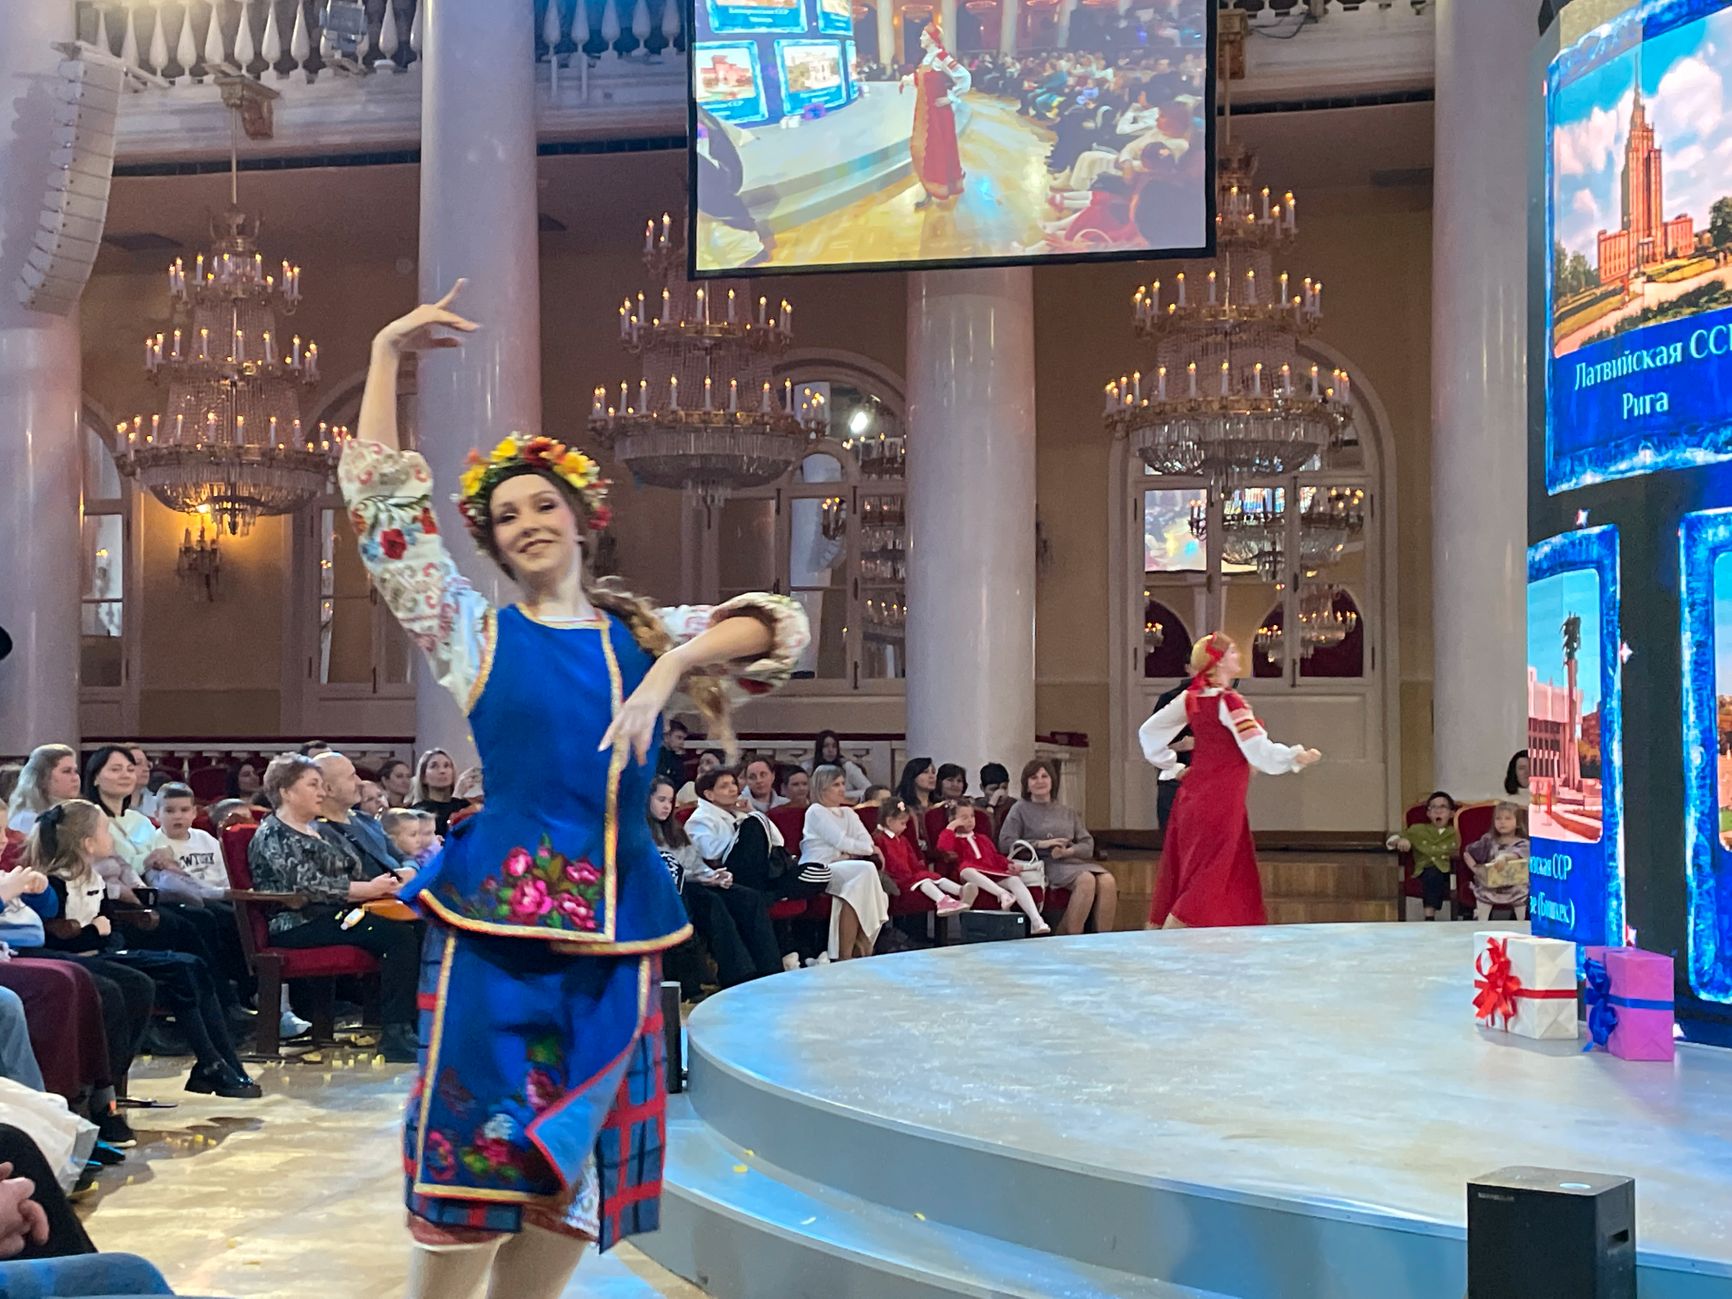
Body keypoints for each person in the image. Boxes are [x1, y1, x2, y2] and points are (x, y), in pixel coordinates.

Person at [346, 282, 808, 1298]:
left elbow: (778, 624)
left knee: (577, 1185)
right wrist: (387, 355)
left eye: (539, 504)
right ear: (491, 538)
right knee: (471, 1178)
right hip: (496, 932)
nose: (523, 523)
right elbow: (386, 514)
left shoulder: (641, 631)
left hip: (621, 938)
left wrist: (666, 669)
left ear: (580, 515)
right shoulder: (470, 630)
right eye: (504, 515)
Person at [28, 800, 259, 1099]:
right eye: (105, 831)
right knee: (160, 976)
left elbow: (107, 926)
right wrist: (92, 931)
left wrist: (99, 932)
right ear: (87, 843)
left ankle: (219, 1060)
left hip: (105, 952)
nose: (110, 838)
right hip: (77, 960)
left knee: (191, 965)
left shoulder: (92, 877)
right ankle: (210, 1063)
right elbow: (59, 936)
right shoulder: (56, 883)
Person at [1139, 633, 1320, 929]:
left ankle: (1192, 943)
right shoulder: (1229, 701)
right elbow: (1257, 749)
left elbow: (1149, 733)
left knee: (1201, 870)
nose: (1239, 655)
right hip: (1222, 801)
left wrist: (1170, 766)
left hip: (1193, 798)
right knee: (1211, 873)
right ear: (1218, 660)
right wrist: (1293, 757)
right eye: (1233, 651)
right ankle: (1170, 938)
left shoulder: (1193, 697)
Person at [247, 755, 420, 1063]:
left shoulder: (315, 828)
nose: (321, 792)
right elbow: (305, 885)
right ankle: (394, 1034)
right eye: (312, 785)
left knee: (414, 926)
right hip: (298, 922)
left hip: (334, 914)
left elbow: (346, 873)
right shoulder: (274, 832)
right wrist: (367, 889)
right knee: (398, 937)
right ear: (286, 791)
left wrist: (385, 883)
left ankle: (409, 1025)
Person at [647, 778, 781, 992]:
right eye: (661, 800)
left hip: (695, 880)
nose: (666, 806)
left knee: (748, 897)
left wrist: (715, 876)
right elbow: (662, 871)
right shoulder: (639, 833)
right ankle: (738, 974)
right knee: (712, 903)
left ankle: (770, 969)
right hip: (669, 890)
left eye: (670, 801)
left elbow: (695, 864)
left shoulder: (675, 831)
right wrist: (701, 878)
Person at [997, 759, 1112, 936]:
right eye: (1034, 777)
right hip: (1042, 863)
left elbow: (1087, 845)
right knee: (1086, 880)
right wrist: (1042, 844)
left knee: (1107, 881)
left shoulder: (1067, 811)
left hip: (1070, 860)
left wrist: (1069, 851)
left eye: (1045, 776)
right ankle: (1072, 938)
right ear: (1027, 784)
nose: (1040, 781)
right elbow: (1005, 842)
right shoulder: (1019, 809)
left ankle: (1104, 939)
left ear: (1053, 781)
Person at [800, 767, 891, 960]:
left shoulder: (849, 814)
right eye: (836, 785)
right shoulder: (815, 812)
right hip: (819, 868)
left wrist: (852, 851)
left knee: (864, 891)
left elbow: (867, 842)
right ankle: (862, 946)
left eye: (842, 784)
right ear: (822, 788)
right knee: (866, 869)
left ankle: (849, 952)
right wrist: (856, 850)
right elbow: (843, 842)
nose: (842, 789)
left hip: (848, 868)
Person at [940, 802, 1050, 935]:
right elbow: (943, 847)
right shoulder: (954, 839)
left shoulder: (982, 839)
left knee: (1013, 880)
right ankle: (1003, 894)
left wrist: (1008, 864)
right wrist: (951, 827)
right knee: (966, 870)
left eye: (972, 816)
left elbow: (995, 857)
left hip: (991, 872)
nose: (970, 820)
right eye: (964, 818)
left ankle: (1036, 920)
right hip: (971, 877)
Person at [900, 20, 970, 207]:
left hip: (938, 114)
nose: (920, 38)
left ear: (931, 38)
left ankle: (937, 187)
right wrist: (907, 80)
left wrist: (952, 97)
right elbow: (923, 81)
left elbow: (964, 77)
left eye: (923, 35)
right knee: (924, 149)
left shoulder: (941, 57)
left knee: (934, 150)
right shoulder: (927, 58)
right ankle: (934, 185)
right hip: (924, 112)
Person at [314, 752, 413, 881]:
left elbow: (403, 857)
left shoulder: (365, 819)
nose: (360, 782)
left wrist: (411, 869)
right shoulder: (319, 833)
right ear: (329, 789)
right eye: (351, 777)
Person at [874, 799, 970, 915]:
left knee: (933, 877)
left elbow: (912, 858)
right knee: (925, 881)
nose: (905, 828)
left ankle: (961, 891)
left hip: (909, 874)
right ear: (889, 821)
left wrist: (919, 869)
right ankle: (942, 901)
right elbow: (882, 863)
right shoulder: (879, 839)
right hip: (896, 878)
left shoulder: (903, 840)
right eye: (902, 824)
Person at [1389, 791, 1459, 921]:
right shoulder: (1418, 829)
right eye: (1433, 807)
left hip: (1450, 870)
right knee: (1432, 873)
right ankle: (1429, 916)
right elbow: (1391, 840)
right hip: (1424, 869)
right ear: (1428, 813)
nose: (1438, 811)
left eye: (1443, 807)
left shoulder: (1456, 831)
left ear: (1451, 813)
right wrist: (1400, 841)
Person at [1464, 802, 1530, 921]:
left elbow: (1517, 854)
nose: (1502, 822)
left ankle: (1522, 921)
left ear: (1518, 823)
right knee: (1483, 888)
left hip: (1515, 885)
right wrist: (1476, 869)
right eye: (1498, 818)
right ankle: (1481, 920)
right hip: (1490, 885)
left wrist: (1504, 857)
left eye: (1508, 818)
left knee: (1523, 890)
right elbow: (1468, 853)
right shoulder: (1488, 840)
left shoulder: (1523, 843)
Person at [1150, 677, 1195, 832]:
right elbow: (1153, 742)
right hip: (1174, 776)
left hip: (1207, 779)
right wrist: (1179, 746)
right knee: (1173, 834)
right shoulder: (1170, 699)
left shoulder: (1220, 701)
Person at [6, 746, 79, 836]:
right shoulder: (25, 820)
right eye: (66, 771)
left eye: (76, 771)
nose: (75, 778)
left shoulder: (79, 814)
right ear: (43, 778)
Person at [410, 749, 469, 836]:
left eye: (446, 766)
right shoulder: (418, 811)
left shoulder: (465, 806)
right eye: (434, 766)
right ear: (423, 777)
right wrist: (457, 796)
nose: (442, 771)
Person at [809, 732, 869, 800]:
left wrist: (842, 794)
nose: (830, 750)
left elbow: (869, 790)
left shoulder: (848, 767)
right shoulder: (809, 767)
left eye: (834, 746)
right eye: (825, 746)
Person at [656, 719, 690, 789]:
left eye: (683, 739)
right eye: (679, 737)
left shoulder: (677, 759)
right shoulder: (656, 757)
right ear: (666, 737)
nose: (682, 742)